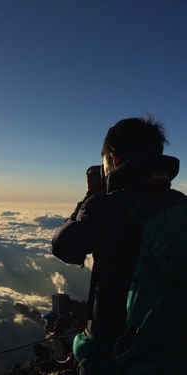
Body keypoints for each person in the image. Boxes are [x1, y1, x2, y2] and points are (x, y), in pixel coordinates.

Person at [51, 116, 182, 374]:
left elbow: (63, 246)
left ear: (113, 159)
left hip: (114, 349)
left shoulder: (106, 207)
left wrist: (92, 195)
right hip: (171, 345)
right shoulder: (179, 204)